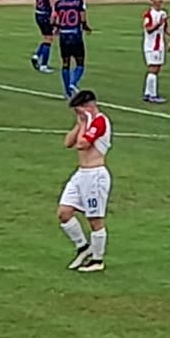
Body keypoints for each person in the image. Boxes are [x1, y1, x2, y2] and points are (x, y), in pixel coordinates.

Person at [57, 88, 112, 273]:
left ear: (88, 106)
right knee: (64, 212)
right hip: (81, 174)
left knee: (94, 219)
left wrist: (86, 122)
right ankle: (83, 247)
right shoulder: (85, 123)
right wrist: (79, 124)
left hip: (95, 175)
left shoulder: (100, 122)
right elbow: (68, 143)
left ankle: (97, 260)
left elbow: (83, 144)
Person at [52, 0, 90, 99]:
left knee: (65, 63)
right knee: (80, 62)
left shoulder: (59, 3)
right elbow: (82, 15)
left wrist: (57, 28)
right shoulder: (79, 2)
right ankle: (72, 83)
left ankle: (66, 91)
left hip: (63, 35)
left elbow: (55, 18)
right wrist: (85, 26)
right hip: (75, 35)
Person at [142, 0, 170, 104]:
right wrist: (159, 23)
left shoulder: (163, 13)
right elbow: (148, 29)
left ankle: (148, 93)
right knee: (153, 69)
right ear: (152, 0)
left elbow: (166, 29)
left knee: (156, 69)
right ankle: (152, 95)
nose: (160, 0)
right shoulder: (149, 14)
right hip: (151, 46)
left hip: (160, 46)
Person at [30, 0, 58, 73]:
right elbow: (51, 0)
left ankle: (37, 55)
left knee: (47, 37)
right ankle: (44, 65)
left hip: (38, 12)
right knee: (49, 39)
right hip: (46, 13)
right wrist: (54, 13)